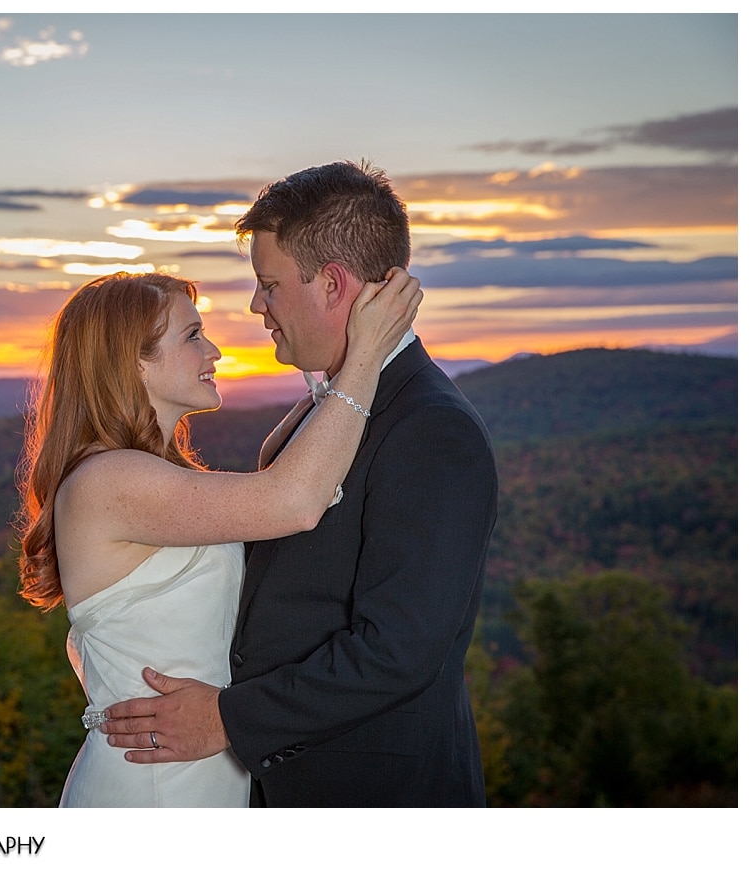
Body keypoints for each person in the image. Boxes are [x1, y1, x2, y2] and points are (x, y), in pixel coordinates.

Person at [100, 160, 499, 807]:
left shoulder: (431, 429)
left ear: (334, 285)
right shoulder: (321, 413)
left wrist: (228, 720)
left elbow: (401, 649)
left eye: (270, 285)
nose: (258, 306)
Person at [17, 266, 420, 807]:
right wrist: (367, 353)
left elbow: (280, 483)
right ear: (133, 363)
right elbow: (293, 500)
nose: (215, 352)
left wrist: (330, 376)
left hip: (199, 777)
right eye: (191, 336)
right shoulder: (108, 481)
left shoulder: (154, 478)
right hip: (153, 790)